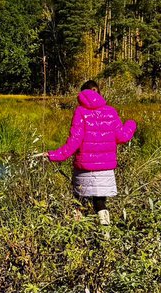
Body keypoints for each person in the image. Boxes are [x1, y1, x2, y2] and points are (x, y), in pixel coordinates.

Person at [47, 81, 137, 224]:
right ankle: (105, 235)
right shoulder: (111, 112)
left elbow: (74, 142)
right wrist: (131, 124)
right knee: (100, 203)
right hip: (105, 169)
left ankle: (77, 232)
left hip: (84, 167)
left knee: (79, 200)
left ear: (82, 94)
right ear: (99, 92)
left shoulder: (80, 112)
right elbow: (122, 137)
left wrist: (54, 155)